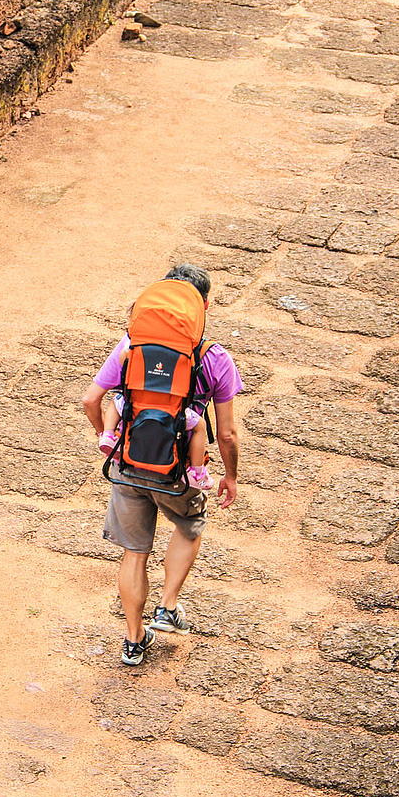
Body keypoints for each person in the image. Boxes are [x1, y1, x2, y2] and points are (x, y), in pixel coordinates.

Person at [81, 264, 242, 666]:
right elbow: (226, 434)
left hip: (128, 465)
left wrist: (113, 438)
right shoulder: (215, 359)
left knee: (133, 552)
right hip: (179, 472)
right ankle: (167, 608)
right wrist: (230, 475)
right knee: (188, 527)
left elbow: (89, 401)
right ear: (203, 306)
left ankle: (134, 641)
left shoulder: (130, 346)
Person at [101, 391, 213, 490]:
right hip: (173, 410)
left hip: (137, 405)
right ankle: (196, 473)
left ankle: (109, 435)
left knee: (117, 400)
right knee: (199, 427)